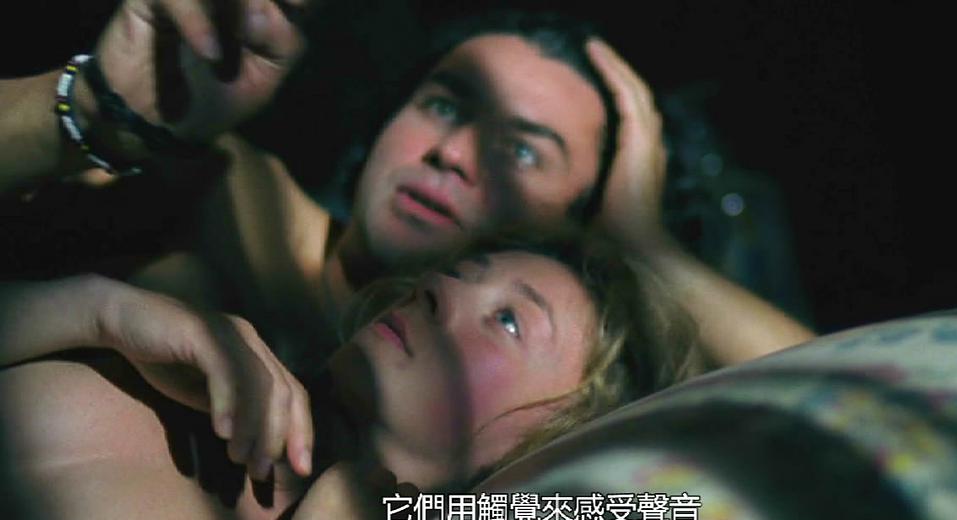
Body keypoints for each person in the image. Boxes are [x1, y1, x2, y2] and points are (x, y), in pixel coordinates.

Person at [0, 1, 812, 371]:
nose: (453, 153)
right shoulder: (229, 198)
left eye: (521, 152)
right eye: (444, 105)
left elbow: (839, 406)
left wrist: (642, 245)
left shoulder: (543, 415)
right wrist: (92, 112)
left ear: (579, 226)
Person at [0, 231, 702, 520]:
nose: (438, 287)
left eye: (510, 321)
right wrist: (98, 310)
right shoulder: (174, 341)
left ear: (549, 449)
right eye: (463, 271)